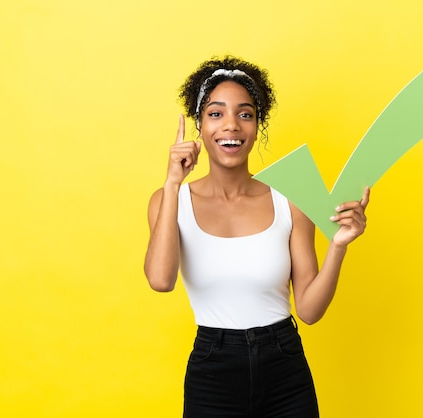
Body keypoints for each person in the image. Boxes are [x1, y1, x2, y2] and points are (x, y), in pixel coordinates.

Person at [144, 56, 370, 417]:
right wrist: (172, 184)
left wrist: (338, 247)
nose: (230, 125)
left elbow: (310, 311)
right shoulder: (170, 201)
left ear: (257, 124)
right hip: (212, 371)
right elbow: (160, 280)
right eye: (216, 114)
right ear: (199, 127)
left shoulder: (290, 200)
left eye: (245, 114)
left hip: (285, 366)